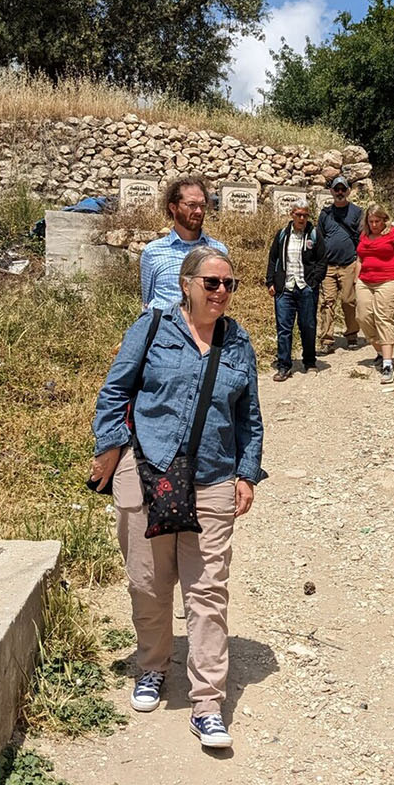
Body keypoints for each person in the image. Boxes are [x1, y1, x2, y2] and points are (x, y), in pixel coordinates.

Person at [91, 246, 266, 751]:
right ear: (186, 283)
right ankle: (152, 667)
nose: (221, 292)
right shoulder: (150, 329)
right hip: (146, 470)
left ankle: (207, 701)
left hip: (212, 477)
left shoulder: (238, 343)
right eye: (211, 282)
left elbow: (249, 418)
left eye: (229, 284)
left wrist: (246, 474)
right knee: (148, 583)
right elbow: (114, 393)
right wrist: (109, 449)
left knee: (208, 590)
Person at [139, 177, 228, 310]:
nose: (198, 211)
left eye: (202, 206)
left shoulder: (218, 251)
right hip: (164, 328)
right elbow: (148, 301)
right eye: (192, 205)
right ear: (173, 207)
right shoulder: (153, 252)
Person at [355, 203, 394, 385]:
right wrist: (355, 280)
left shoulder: (393, 234)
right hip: (365, 280)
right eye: (371, 221)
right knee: (362, 317)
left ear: (385, 220)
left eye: (377, 221)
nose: (374, 224)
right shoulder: (365, 235)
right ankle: (380, 350)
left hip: (390, 280)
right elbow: (360, 258)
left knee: (383, 317)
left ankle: (387, 364)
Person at [264, 200, 326, 382]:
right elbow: (272, 259)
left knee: (308, 326)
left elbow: (322, 260)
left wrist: (313, 282)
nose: (301, 218)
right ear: (291, 214)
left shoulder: (314, 234)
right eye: (298, 214)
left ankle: (309, 361)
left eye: (305, 215)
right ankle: (284, 366)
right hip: (285, 289)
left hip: (306, 289)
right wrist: (270, 282)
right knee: (284, 328)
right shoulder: (282, 235)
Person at [315, 174, 364, 354]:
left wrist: (361, 262)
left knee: (348, 300)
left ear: (349, 191)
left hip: (349, 264)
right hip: (328, 265)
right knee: (327, 302)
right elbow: (319, 237)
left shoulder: (357, 212)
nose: (340, 192)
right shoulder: (325, 213)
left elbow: (362, 238)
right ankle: (327, 339)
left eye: (343, 189)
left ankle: (352, 335)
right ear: (331, 191)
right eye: (337, 189)